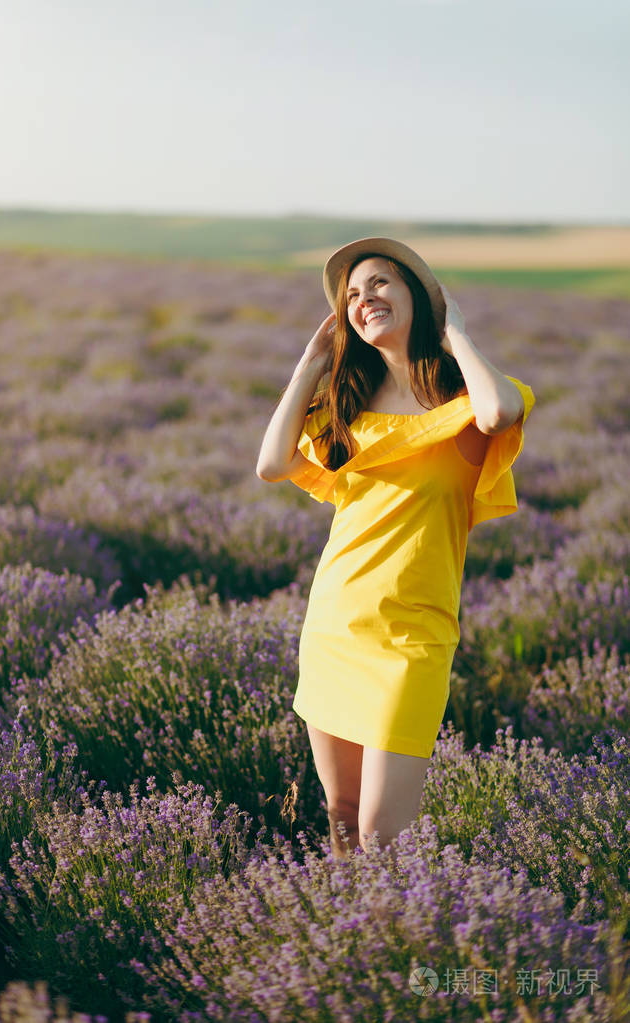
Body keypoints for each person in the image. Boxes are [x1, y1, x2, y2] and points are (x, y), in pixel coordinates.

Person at [256, 237, 535, 861]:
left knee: (385, 836)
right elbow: (270, 464)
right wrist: (310, 365)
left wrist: (454, 334)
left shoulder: (464, 407)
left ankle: (388, 942)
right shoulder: (345, 411)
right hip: (334, 626)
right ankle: (349, 949)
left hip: (413, 638)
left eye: (381, 283)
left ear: (417, 294)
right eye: (352, 295)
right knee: (343, 817)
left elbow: (499, 412)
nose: (365, 300)